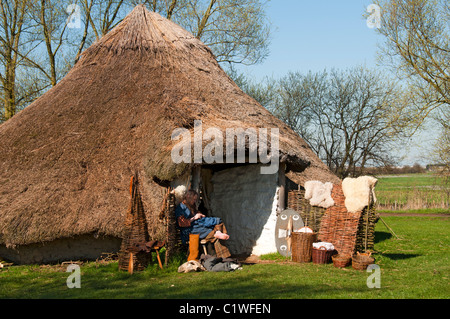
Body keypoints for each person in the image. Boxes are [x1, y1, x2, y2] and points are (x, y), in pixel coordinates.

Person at [175, 189, 230, 258]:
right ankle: (216, 233)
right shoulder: (180, 208)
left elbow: (196, 212)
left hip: (196, 224)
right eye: (193, 199)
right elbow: (182, 223)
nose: (194, 201)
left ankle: (218, 232)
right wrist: (194, 218)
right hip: (189, 230)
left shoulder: (191, 205)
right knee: (209, 230)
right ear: (188, 196)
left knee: (216, 221)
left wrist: (200, 214)